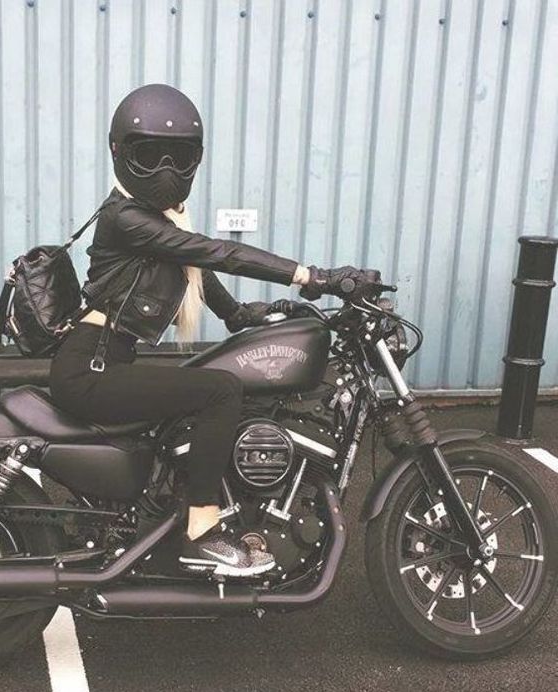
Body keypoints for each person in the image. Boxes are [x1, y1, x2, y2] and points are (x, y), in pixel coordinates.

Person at [50, 84, 378, 578]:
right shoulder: (126, 218)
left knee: (215, 388)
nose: (164, 170)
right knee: (220, 391)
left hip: (106, 360)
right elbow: (214, 251)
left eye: (177, 156)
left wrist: (258, 315)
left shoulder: (158, 225)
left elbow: (212, 288)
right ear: (120, 152)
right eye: (150, 155)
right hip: (91, 368)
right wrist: (313, 277)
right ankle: (201, 530)